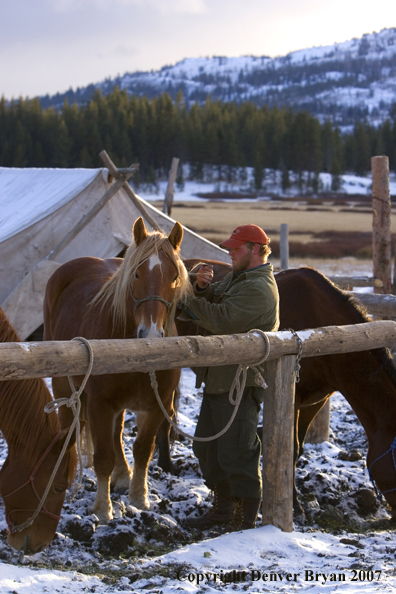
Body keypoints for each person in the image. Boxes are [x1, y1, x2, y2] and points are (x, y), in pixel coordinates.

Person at [179, 224, 280, 532]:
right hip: (220, 378)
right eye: (230, 248)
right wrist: (201, 289)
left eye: (235, 249)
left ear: (255, 249)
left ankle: (244, 520)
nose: (229, 253)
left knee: (238, 451)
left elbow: (222, 320)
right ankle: (224, 509)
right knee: (207, 449)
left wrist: (183, 296)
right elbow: (218, 302)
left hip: (240, 382)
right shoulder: (240, 278)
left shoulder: (259, 289)